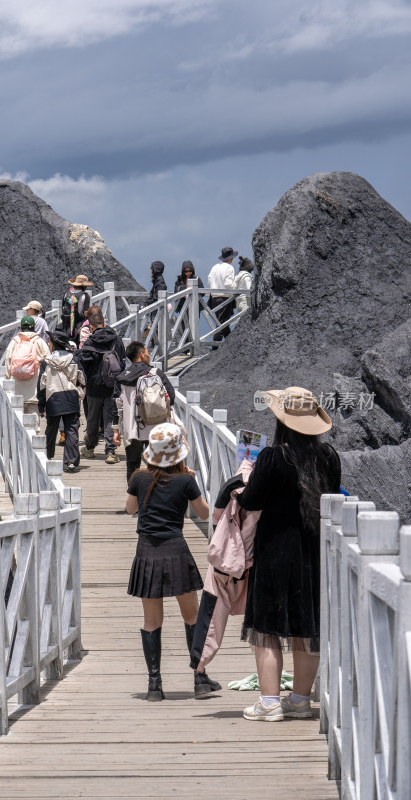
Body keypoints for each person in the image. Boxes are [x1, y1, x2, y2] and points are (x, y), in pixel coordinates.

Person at [238, 387, 341, 721]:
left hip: (275, 552)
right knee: (305, 627)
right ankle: (299, 700)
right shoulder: (329, 457)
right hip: (313, 553)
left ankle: (269, 703)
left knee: (267, 628)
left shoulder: (272, 457)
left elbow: (251, 500)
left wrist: (245, 476)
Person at [126, 422, 221, 701]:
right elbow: (204, 514)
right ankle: (199, 678)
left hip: (146, 552)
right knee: (192, 616)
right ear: (179, 455)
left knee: (152, 620)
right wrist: (193, 483)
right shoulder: (186, 480)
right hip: (176, 550)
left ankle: (154, 685)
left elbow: (130, 508)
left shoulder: (139, 478)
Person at [112, 341, 176, 482]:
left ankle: (133, 500)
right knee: (157, 467)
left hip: (132, 430)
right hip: (156, 427)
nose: (148, 355)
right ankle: (155, 496)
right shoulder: (155, 373)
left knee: (133, 467)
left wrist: (116, 430)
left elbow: (116, 405)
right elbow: (171, 397)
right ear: (141, 355)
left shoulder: (122, 378)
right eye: (147, 352)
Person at [77, 312, 126, 464]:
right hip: (112, 386)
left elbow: (84, 363)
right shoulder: (116, 339)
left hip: (94, 385)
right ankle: (111, 452)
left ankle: (90, 448)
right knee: (110, 419)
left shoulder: (90, 341)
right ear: (104, 324)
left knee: (92, 418)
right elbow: (122, 360)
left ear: (91, 327)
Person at [37, 330, 85, 472]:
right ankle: (70, 461)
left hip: (53, 398)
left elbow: (42, 386)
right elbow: (83, 379)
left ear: (53, 344)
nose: (48, 343)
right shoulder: (74, 359)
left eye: (49, 341)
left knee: (51, 429)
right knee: (72, 429)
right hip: (71, 397)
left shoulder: (47, 362)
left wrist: (41, 404)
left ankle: (48, 456)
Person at [5, 315, 49, 419]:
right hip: (34, 386)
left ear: (20, 328)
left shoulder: (15, 341)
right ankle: (35, 432)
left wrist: (8, 378)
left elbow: (8, 358)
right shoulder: (38, 341)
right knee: (33, 413)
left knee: (18, 416)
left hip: (17, 386)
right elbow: (48, 359)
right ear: (34, 327)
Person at [207, 246, 238, 346]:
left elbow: (209, 281)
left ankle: (230, 344)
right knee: (222, 323)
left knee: (222, 322)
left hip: (214, 297)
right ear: (230, 258)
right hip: (225, 298)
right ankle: (215, 346)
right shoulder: (229, 268)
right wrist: (236, 287)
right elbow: (229, 284)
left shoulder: (214, 267)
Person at [61, 274, 94, 342]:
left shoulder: (66, 294)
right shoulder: (84, 295)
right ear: (84, 285)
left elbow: (63, 308)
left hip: (65, 324)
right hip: (78, 324)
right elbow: (85, 313)